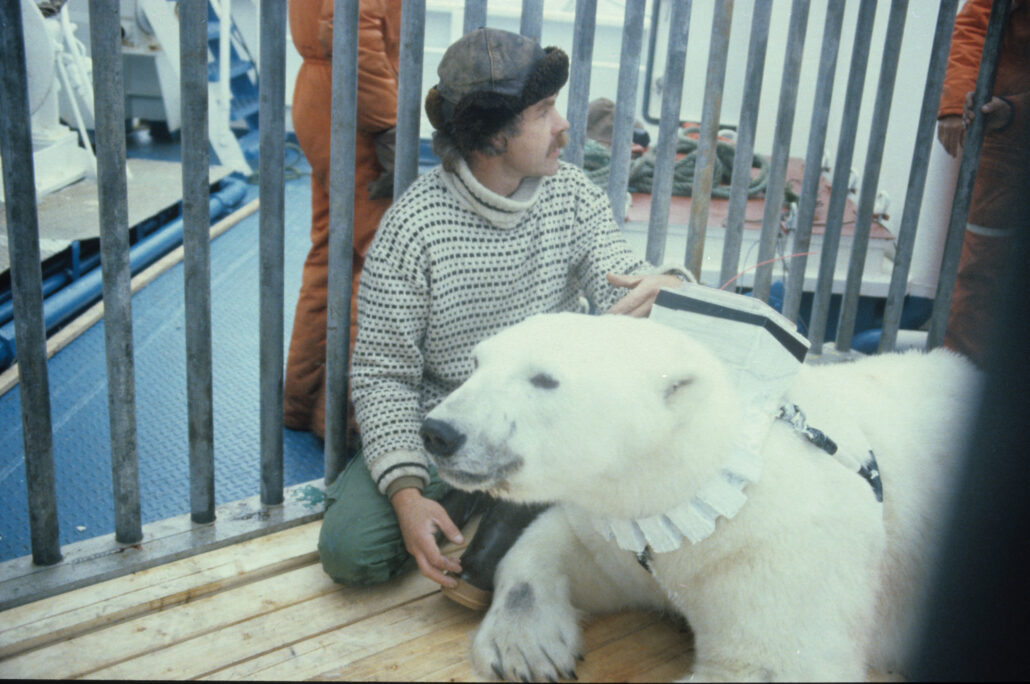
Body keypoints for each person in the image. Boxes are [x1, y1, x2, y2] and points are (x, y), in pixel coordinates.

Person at [317, 27, 689, 610]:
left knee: (496, 561)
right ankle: (486, 498)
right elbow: (382, 375)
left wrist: (665, 286)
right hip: (444, 421)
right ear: (492, 136)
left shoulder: (572, 194)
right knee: (351, 553)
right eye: (543, 112)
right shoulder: (412, 228)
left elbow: (623, 271)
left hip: (537, 419)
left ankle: (514, 503)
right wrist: (408, 494)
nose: (565, 125)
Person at [284, 0, 401, 439]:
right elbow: (353, 27)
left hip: (322, 95)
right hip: (352, 110)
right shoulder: (370, 111)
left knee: (331, 257)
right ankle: (348, 423)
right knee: (375, 261)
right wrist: (388, 124)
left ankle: (301, 401)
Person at [936, 0, 1029, 367]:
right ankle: (960, 373)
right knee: (981, 265)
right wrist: (957, 102)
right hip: (1006, 135)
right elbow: (977, 22)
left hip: (1010, 117)